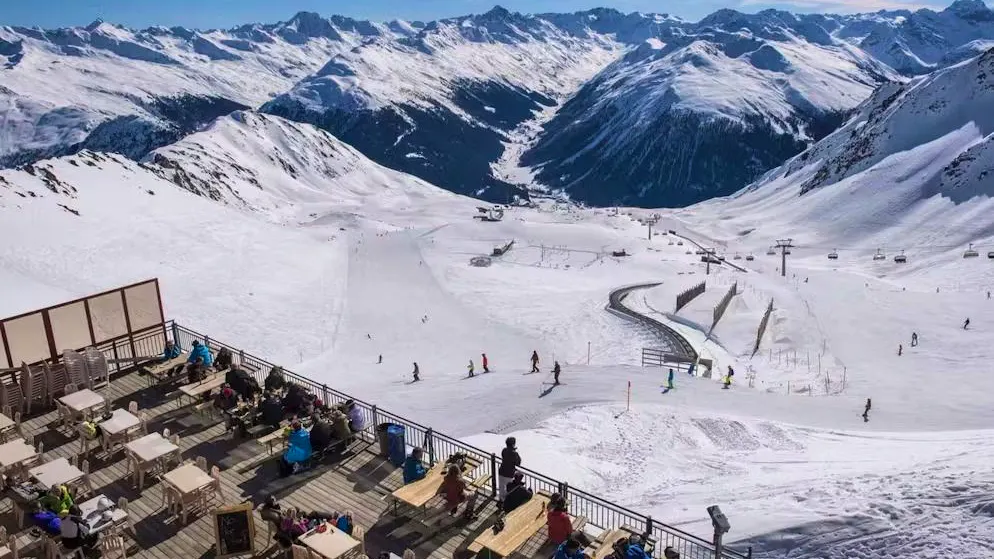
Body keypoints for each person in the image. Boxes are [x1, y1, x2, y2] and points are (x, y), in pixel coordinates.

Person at [498, 436, 520, 502]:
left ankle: (501, 500)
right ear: (513, 444)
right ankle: (507, 502)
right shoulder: (515, 454)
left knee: (501, 488)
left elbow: (504, 456)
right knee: (509, 488)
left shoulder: (504, 450)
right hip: (509, 473)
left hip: (502, 471)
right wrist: (514, 451)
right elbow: (518, 463)